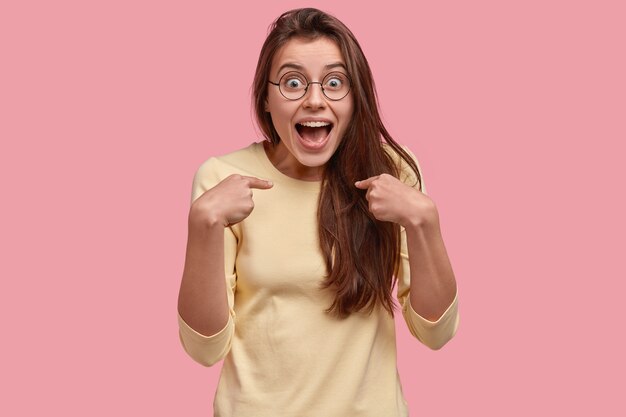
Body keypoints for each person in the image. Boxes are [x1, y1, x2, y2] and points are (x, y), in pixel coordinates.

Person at [177, 7, 459, 417]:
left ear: (355, 96)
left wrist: (423, 220)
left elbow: (437, 332)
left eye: (334, 83)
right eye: (293, 83)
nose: (314, 100)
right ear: (266, 99)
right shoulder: (223, 178)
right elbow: (203, 349)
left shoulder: (393, 171)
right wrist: (203, 226)